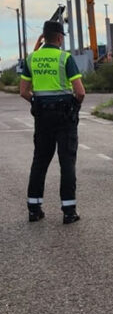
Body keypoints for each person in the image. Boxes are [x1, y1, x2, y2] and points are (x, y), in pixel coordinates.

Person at [19, 20, 85, 224]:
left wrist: (38, 103)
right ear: (59, 38)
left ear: (44, 37)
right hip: (64, 118)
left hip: (42, 118)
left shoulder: (31, 58)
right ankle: (68, 211)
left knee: (40, 161)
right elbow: (80, 91)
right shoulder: (64, 58)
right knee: (67, 162)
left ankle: (34, 208)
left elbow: (23, 91)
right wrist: (73, 105)